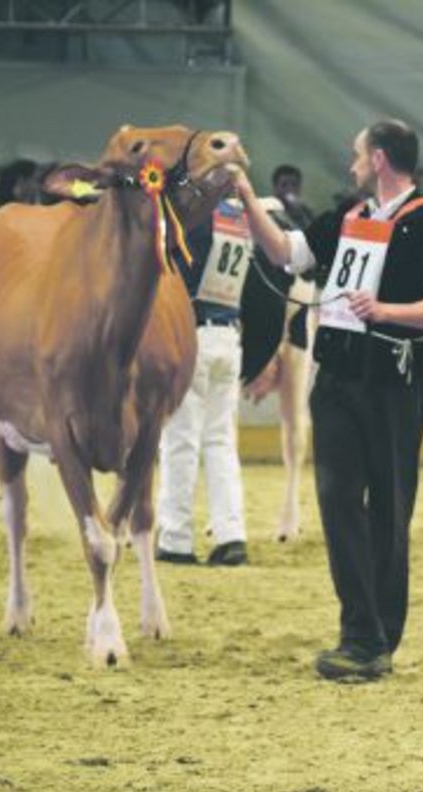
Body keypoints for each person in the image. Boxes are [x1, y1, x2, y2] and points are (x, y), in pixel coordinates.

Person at [236, 118, 423, 681]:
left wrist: (385, 311)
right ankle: (359, 632)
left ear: (381, 158)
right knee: (338, 498)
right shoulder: (347, 217)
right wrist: (244, 196)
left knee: (389, 507)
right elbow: (288, 253)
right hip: (336, 378)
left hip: (394, 382)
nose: (353, 162)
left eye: (359, 154)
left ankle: (379, 636)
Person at [156, 194, 298, 568]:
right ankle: (231, 535)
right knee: (220, 441)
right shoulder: (236, 217)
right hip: (227, 334)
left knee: (179, 439)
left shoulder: (193, 218)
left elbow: (176, 276)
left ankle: (175, 537)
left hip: (192, 333)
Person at [271, 164, 315, 231]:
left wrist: (298, 213)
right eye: (284, 185)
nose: (290, 189)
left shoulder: (306, 211)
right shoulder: (270, 213)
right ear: (275, 188)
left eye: (294, 185)